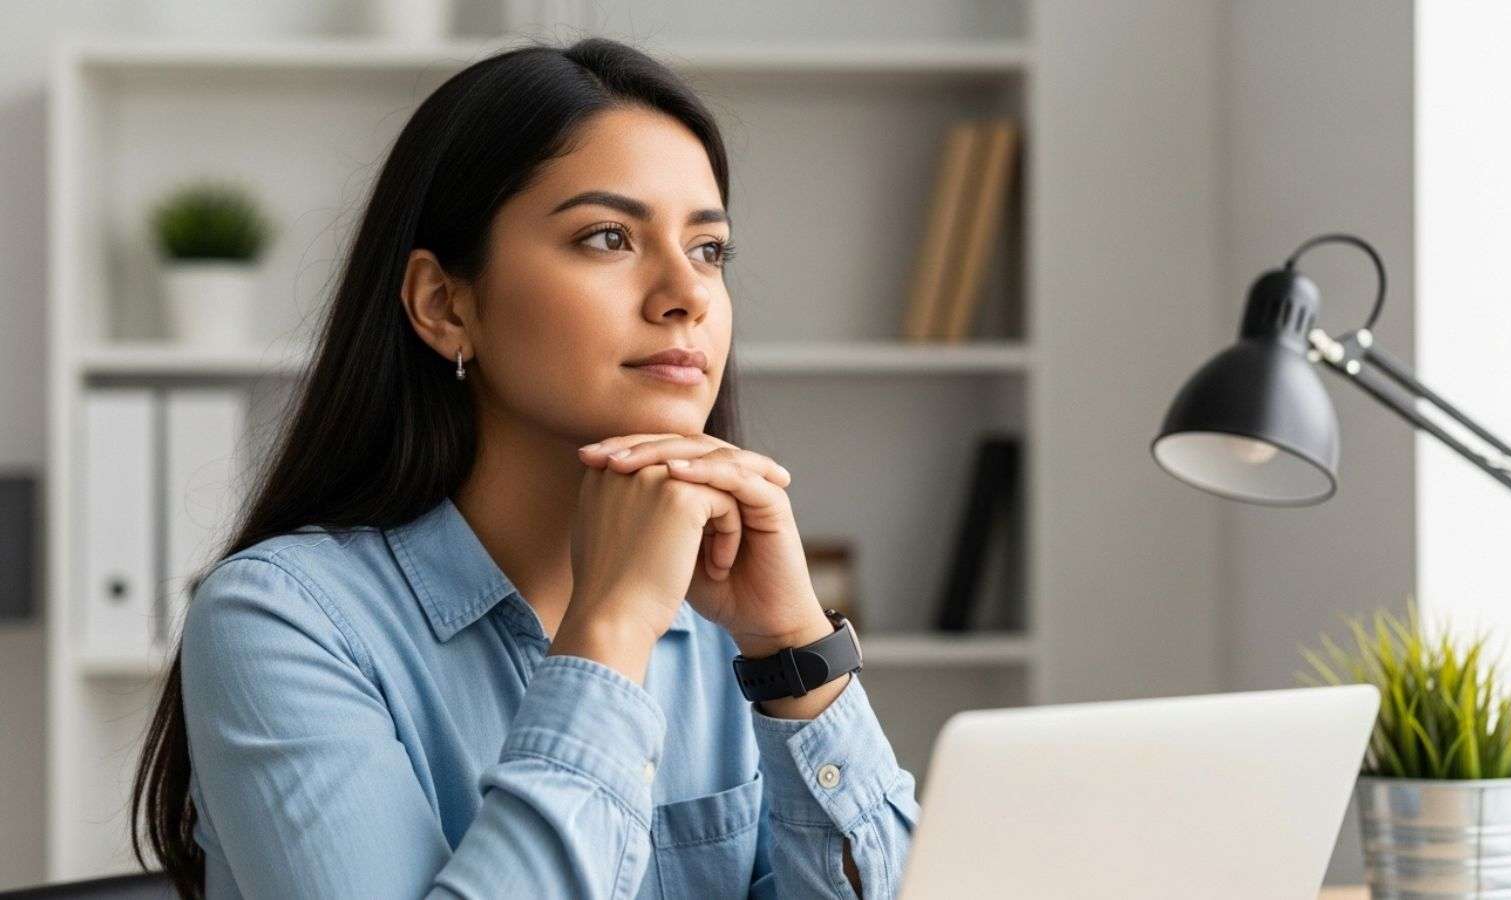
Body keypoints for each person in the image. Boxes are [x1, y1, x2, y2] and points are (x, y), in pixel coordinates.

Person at [129, 36, 919, 899]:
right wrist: (609, 634)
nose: (686, 294)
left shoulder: (719, 629)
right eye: (609, 237)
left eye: (708, 250)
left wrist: (792, 656)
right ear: (443, 303)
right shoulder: (282, 621)